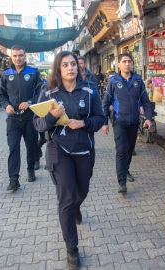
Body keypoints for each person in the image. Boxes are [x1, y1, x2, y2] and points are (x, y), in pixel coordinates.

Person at [33, 51, 105, 269]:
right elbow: (38, 125)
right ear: (58, 68)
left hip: (84, 149)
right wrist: (52, 117)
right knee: (66, 197)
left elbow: (101, 118)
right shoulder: (48, 92)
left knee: (81, 192)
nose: (70, 68)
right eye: (65, 65)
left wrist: (84, 124)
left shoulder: (90, 90)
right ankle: (72, 248)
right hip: (59, 150)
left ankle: (76, 207)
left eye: (73, 64)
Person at [102, 52, 153, 193]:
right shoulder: (113, 81)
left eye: (129, 61)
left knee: (130, 149)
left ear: (132, 63)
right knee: (121, 150)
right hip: (119, 121)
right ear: (118, 64)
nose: (127, 64)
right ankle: (122, 182)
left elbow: (145, 101)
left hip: (134, 122)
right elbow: (105, 103)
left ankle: (126, 169)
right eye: (124, 61)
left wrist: (148, 118)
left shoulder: (138, 80)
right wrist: (104, 122)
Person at [0, 45, 45, 190]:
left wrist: (30, 102)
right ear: (11, 57)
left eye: (20, 55)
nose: (18, 58)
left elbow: (41, 93)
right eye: (15, 56)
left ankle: (30, 170)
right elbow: (1, 95)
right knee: (13, 148)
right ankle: (13, 178)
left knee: (31, 146)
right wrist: (6, 105)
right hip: (12, 119)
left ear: (25, 56)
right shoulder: (6, 74)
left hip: (30, 118)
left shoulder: (33, 72)